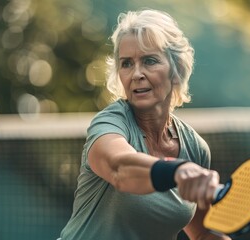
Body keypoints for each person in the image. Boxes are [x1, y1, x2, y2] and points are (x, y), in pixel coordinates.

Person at [59, 9, 231, 240]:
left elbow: (201, 233)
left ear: (177, 71)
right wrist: (176, 171)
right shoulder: (110, 123)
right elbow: (119, 169)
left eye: (150, 60)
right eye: (127, 63)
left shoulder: (195, 149)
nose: (136, 73)